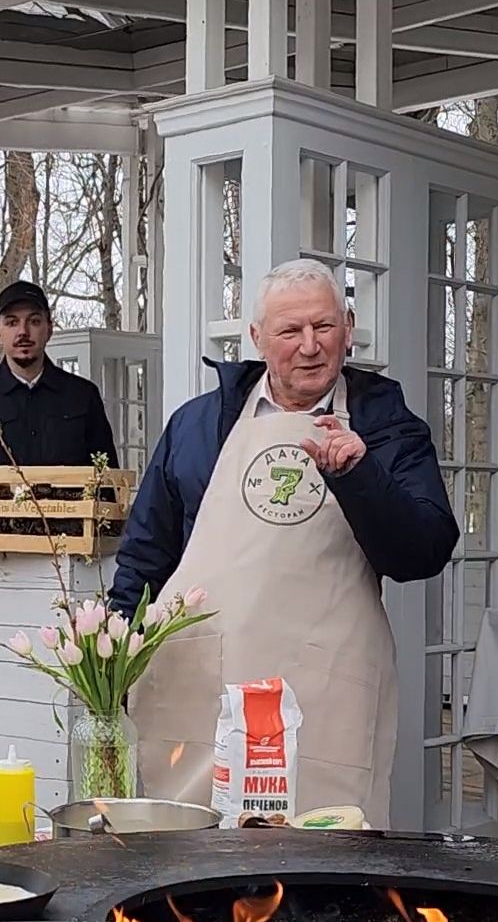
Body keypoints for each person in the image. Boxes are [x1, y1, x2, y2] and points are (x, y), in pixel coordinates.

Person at [113, 258, 458, 825]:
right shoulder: (197, 427)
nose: (309, 346)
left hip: (326, 692)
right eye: (289, 331)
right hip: (205, 688)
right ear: (256, 338)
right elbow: (146, 556)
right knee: (193, 860)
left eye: (324, 327)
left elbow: (423, 552)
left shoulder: (385, 425)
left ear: (348, 328)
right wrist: (117, 664)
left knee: (322, 861)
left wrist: (358, 475)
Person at [0, 279, 118, 468]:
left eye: (34, 321)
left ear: (49, 329)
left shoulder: (83, 397)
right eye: (12, 322)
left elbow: (108, 480)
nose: (23, 332)